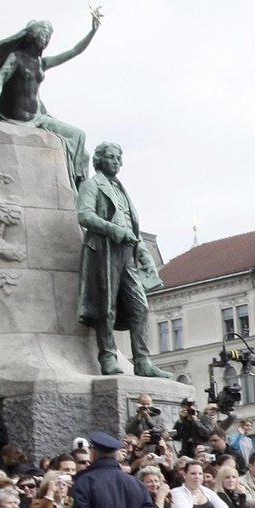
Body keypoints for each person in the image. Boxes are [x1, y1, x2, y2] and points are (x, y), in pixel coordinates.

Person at [0, 13, 99, 188]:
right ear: (33, 35)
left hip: (38, 117)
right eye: (44, 35)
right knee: (77, 136)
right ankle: (80, 187)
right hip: (20, 117)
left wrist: (92, 31)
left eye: (49, 36)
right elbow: (0, 79)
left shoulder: (42, 63)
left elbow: (73, 52)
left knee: (78, 136)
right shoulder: (16, 58)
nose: (46, 39)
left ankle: (80, 189)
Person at [76, 142, 172, 378]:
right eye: (111, 157)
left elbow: (131, 224)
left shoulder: (120, 188)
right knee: (105, 305)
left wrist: (144, 253)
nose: (117, 162)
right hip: (103, 249)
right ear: (99, 160)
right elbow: (84, 215)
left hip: (126, 253)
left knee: (140, 306)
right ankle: (107, 356)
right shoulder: (92, 184)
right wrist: (113, 230)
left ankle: (142, 361)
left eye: (119, 158)